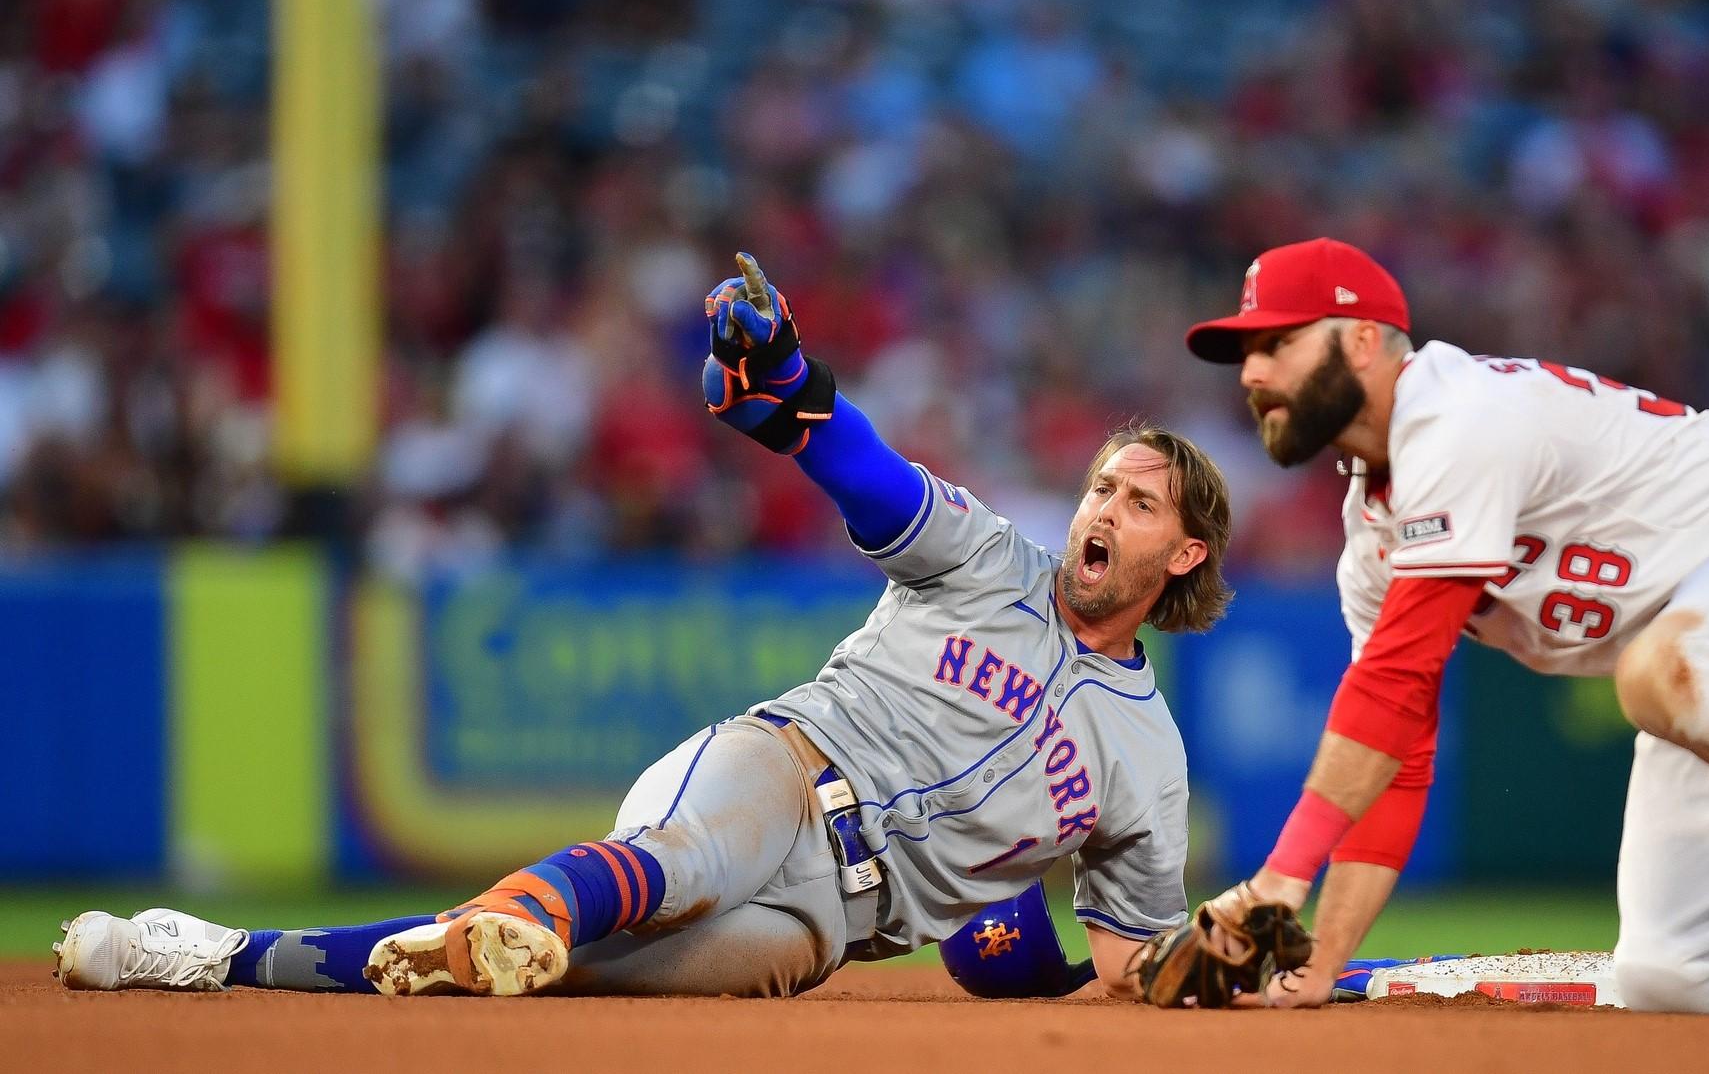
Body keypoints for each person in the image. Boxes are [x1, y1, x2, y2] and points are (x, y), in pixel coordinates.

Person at [56, 254, 1234, 1000]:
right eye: (1099, 486)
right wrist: (789, 379)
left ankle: (209, 952)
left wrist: (1233, 957)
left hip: (822, 925)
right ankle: (529, 902)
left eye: (1137, 502)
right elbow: (867, 474)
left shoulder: (1151, 760)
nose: (1101, 508)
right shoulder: (991, 560)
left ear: (1182, 554)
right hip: (780, 771)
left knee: (546, 975)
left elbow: (1138, 962)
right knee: (684, 865)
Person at [1173, 237, 1709, 1013]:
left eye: (1276, 342)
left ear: (1361, 338)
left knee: (1666, 666)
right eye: (1246, 351)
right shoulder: (1373, 544)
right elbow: (1395, 750)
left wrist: (1279, 879)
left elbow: (1390, 685)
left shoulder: (1456, 413)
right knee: (1679, 968)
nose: (1251, 372)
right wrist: (1321, 957)